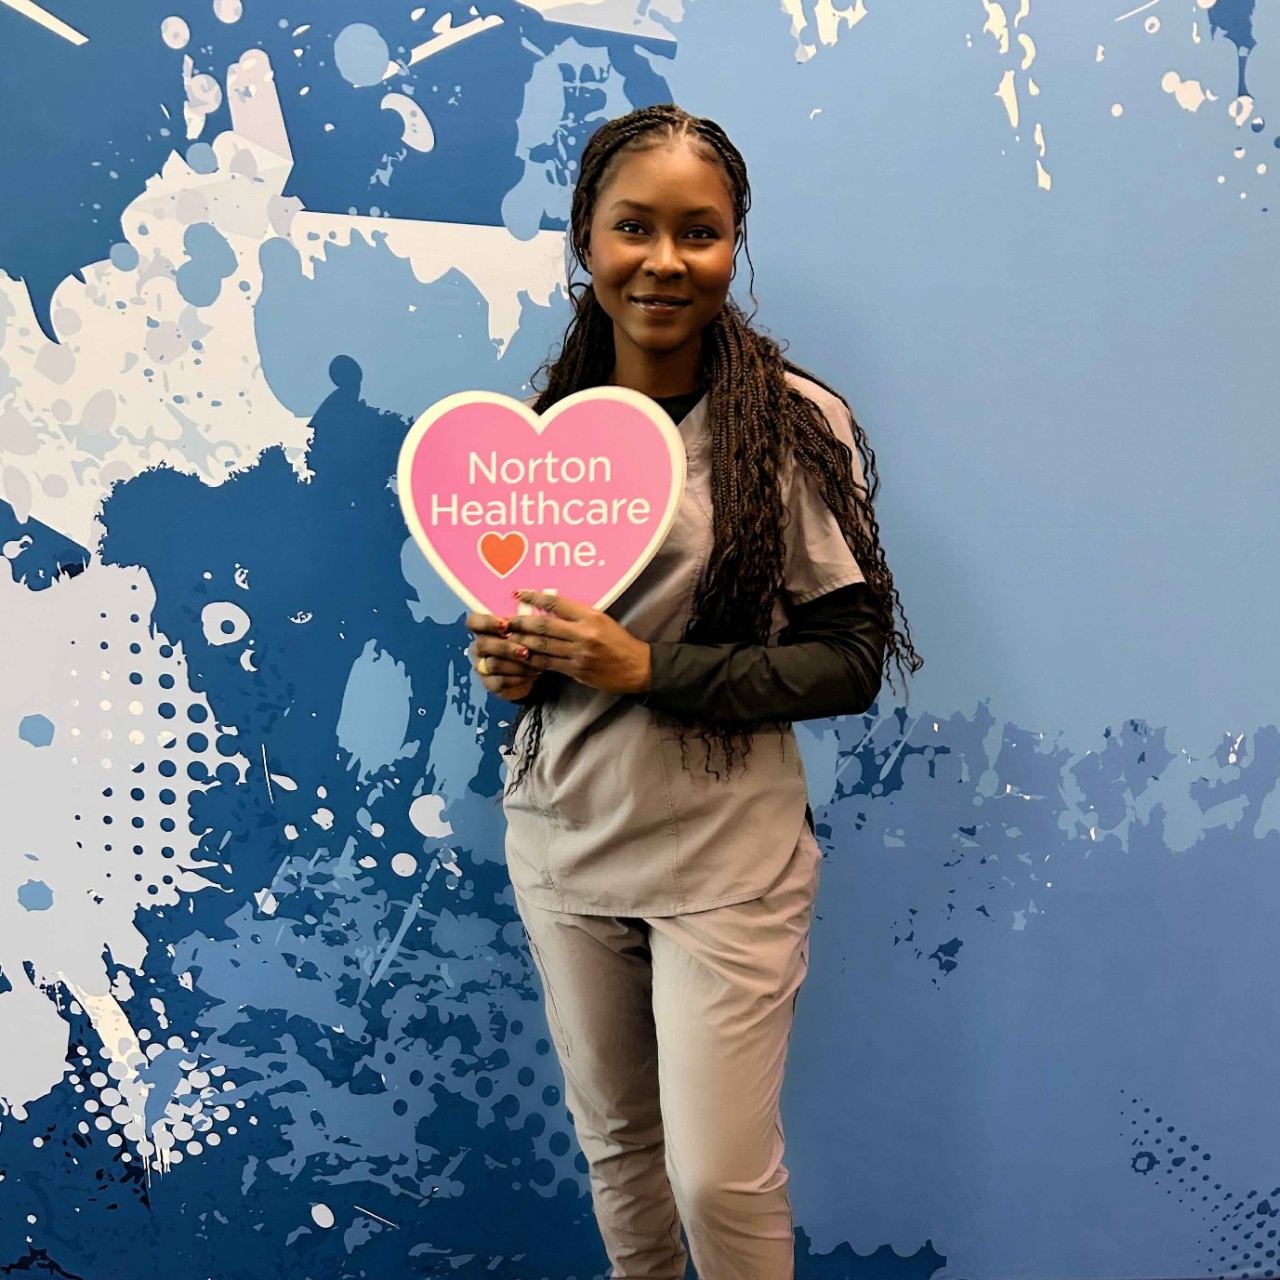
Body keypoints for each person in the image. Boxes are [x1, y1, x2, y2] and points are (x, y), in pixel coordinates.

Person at [465, 103, 921, 1280]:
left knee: (717, 1172)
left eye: (698, 232)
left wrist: (645, 666)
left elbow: (848, 658)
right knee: (618, 1148)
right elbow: (556, 646)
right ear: (586, 239)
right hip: (565, 842)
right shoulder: (547, 432)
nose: (663, 260)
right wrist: (514, 661)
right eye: (633, 227)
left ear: (732, 245)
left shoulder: (793, 427)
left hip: (724, 859)